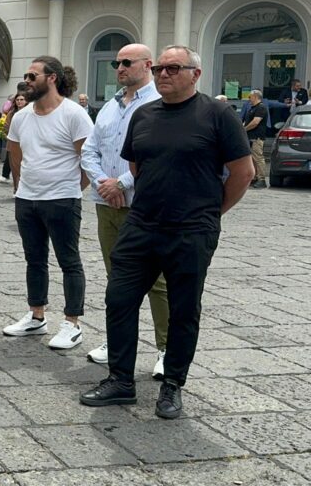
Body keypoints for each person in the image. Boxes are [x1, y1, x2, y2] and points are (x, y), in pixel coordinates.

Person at [80, 45, 254, 419]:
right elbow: (136, 165)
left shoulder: (218, 114)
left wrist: (210, 212)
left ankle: (172, 384)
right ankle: (120, 380)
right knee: (119, 298)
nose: (163, 74)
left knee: (183, 308)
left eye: (173, 68)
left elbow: (243, 173)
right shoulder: (144, 115)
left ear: (195, 73)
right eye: (159, 67)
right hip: (141, 224)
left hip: (191, 229)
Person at [80, 44, 170, 378]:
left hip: (142, 206)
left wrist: (123, 184)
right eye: (117, 62)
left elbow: (156, 156)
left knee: (157, 282)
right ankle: (117, 343)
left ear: (147, 64)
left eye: (126, 62)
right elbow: (90, 150)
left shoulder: (158, 104)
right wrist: (105, 182)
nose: (119, 67)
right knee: (117, 279)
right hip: (107, 204)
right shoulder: (109, 107)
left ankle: (166, 348)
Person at [3, 57, 93, 349]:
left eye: (32, 75)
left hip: (62, 199)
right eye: (27, 76)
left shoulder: (74, 114)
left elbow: (87, 159)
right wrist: (21, 189)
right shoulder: (21, 116)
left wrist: (71, 189)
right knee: (35, 260)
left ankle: (72, 323)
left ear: (51, 78)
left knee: (69, 261)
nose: (27, 81)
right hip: (27, 199)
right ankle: (36, 315)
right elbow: (15, 156)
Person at [0, 91, 27, 184]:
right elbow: (6, 125)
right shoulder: (12, 113)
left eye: (22, 100)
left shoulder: (30, 112)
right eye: (17, 100)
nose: (19, 102)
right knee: (12, 161)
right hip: (14, 140)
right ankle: (12, 180)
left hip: (26, 140)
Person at [244, 89, 269, 189]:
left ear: (255, 96)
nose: (249, 99)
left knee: (258, 158)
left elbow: (255, 122)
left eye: (250, 97)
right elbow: (248, 121)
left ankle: (261, 179)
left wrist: (244, 129)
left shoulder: (261, 107)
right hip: (250, 137)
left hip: (256, 137)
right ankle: (254, 178)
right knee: (252, 159)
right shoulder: (252, 108)